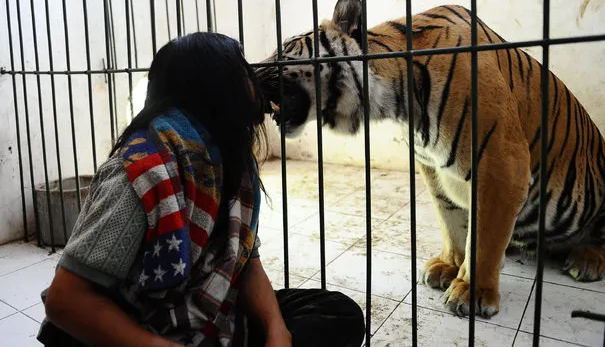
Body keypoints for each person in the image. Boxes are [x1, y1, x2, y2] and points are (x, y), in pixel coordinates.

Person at [37, 32, 365, 347]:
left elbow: (246, 259)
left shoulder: (226, 160)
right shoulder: (141, 173)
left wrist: (278, 331)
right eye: (243, 71)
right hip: (139, 329)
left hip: (207, 314)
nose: (256, 82)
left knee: (337, 314)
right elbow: (65, 301)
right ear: (216, 89)